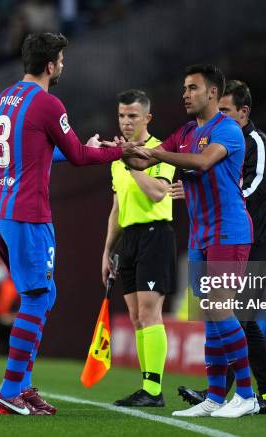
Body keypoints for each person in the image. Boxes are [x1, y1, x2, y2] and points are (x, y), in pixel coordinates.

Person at [0, 32, 141, 416]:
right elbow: (77, 155)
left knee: (39, 296)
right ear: (51, 64)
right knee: (38, 297)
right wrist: (117, 150)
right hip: (27, 215)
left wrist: (76, 146)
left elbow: (35, 152)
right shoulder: (48, 103)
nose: (63, 66)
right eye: (61, 60)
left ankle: (21, 388)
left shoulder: (2, 99)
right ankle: (9, 390)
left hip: (0, 211)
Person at [123, 64, 258, 418]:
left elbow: (200, 163)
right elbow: (144, 157)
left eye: (193, 88)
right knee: (207, 314)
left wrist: (153, 155)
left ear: (212, 93)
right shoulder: (184, 131)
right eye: (184, 87)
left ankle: (246, 394)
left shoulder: (228, 130)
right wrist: (120, 151)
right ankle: (214, 397)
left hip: (229, 231)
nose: (185, 94)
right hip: (200, 234)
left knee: (218, 307)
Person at [174, 80, 266, 414]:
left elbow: (252, 188)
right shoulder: (216, 138)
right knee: (222, 313)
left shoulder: (258, 144)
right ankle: (219, 395)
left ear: (243, 112)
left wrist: (216, 193)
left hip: (254, 243)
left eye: (225, 110)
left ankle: (263, 395)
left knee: (239, 318)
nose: (218, 115)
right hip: (226, 238)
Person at [100, 89, 176, 407]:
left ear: (147, 118)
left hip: (155, 234)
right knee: (134, 315)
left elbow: (158, 192)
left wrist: (130, 163)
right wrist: (107, 251)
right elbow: (117, 207)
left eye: (132, 115)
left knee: (149, 312)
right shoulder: (117, 161)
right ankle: (148, 388)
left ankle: (154, 390)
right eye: (121, 115)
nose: (126, 122)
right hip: (129, 239)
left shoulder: (161, 150)